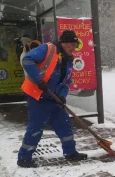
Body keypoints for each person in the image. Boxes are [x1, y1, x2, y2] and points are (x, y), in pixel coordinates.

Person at [17, 30, 87, 168]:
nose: (73, 48)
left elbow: (67, 82)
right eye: (71, 44)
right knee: (36, 128)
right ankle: (24, 158)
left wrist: (62, 95)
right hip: (37, 96)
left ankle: (70, 152)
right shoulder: (48, 49)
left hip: (54, 98)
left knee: (64, 125)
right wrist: (39, 81)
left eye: (75, 45)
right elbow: (27, 60)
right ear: (63, 43)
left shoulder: (68, 60)